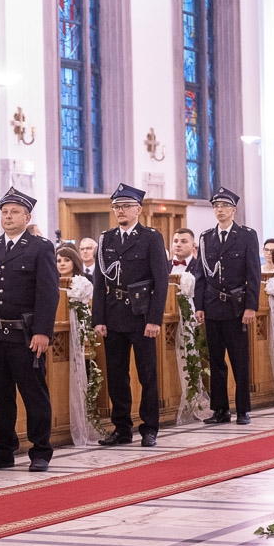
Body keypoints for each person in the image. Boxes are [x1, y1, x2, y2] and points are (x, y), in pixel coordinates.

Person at [0, 187, 59, 472]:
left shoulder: (40, 247)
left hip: (25, 335)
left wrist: (42, 331)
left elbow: (48, 293)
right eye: (4, 212)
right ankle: (2, 450)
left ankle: (40, 450)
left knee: (34, 394)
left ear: (27, 216)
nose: (8, 217)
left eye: (14, 212)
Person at [93, 183, 169, 447]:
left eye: (125, 206)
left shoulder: (150, 237)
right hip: (113, 314)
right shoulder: (106, 239)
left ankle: (149, 428)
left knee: (146, 374)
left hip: (141, 315)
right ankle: (121, 428)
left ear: (138, 209)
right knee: (116, 374)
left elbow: (161, 281)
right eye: (116, 207)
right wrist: (98, 318)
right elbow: (99, 282)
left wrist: (154, 319)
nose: (120, 211)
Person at [194, 187, 260, 425]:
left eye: (224, 206)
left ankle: (242, 409)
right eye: (216, 206)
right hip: (212, 305)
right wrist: (198, 305)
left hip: (236, 306)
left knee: (239, 360)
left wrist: (251, 306)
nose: (219, 210)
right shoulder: (205, 237)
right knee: (216, 361)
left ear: (234, 209)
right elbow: (200, 274)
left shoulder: (246, 236)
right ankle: (220, 409)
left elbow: (254, 273)